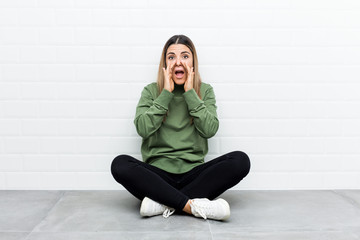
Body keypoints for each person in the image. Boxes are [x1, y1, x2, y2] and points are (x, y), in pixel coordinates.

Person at [111, 34, 250, 221]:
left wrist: (190, 93)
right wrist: (166, 93)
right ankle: (191, 205)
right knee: (120, 164)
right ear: (165, 63)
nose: (178, 62)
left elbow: (210, 130)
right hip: (158, 176)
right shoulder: (151, 91)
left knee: (240, 160)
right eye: (171, 57)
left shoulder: (205, 90)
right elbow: (142, 129)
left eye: (185, 56)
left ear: (193, 62)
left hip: (194, 174)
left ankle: (162, 202)